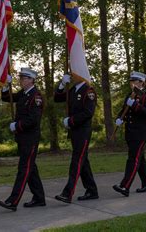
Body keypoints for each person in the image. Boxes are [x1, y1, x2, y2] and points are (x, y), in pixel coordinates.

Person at [0, 68, 46, 211]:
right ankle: (39, 198)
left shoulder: (36, 96)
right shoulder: (23, 94)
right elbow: (7, 98)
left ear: (31, 80)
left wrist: (17, 126)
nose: (21, 80)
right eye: (21, 78)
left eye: (24, 78)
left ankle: (13, 201)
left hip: (30, 138)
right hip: (22, 138)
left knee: (24, 169)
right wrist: (6, 86)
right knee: (31, 168)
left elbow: (33, 119)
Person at [54, 74, 99, 203]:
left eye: (75, 72)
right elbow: (57, 98)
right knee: (83, 162)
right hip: (75, 132)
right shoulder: (73, 90)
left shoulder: (88, 91)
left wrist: (71, 121)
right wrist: (62, 85)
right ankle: (92, 190)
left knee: (76, 161)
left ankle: (67, 193)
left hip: (83, 132)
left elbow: (88, 112)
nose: (73, 75)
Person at [113, 71, 146, 197]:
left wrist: (136, 105)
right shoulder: (130, 95)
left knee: (133, 159)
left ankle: (125, 186)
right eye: (131, 81)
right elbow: (124, 110)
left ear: (142, 82)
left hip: (140, 133)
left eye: (134, 81)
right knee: (140, 160)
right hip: (131, 133)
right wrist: (120, 118)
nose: (132, 83)